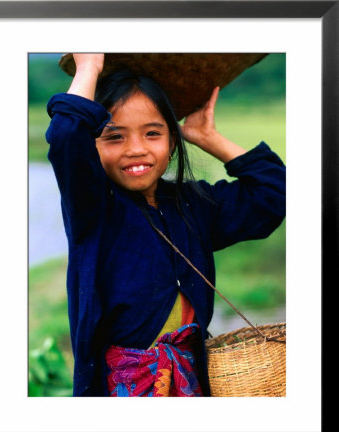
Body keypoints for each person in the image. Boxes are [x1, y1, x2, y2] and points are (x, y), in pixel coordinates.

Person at [46, 53, 286, 397]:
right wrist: (89, 68)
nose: (136, 149)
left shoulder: (196, 205)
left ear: (172, 143)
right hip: (122, 390)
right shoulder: (94, 207)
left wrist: (207, 137)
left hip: (191, 382)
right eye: (114, 137)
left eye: (153, 133)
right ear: (94, 147)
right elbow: (68, 134)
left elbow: (275, 192)